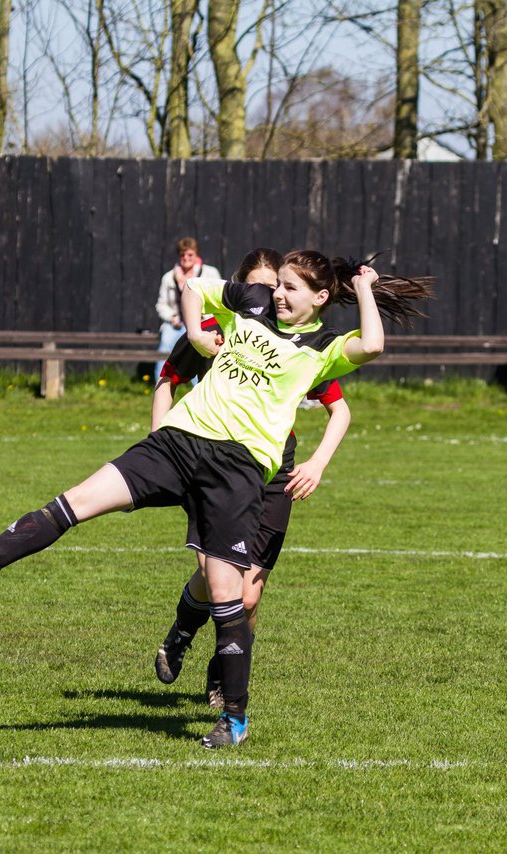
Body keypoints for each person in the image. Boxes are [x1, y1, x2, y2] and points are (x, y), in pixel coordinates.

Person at [0, 250, 432, 749]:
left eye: (290, 288)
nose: (277, 294)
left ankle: (233, 719)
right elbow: (194, 289)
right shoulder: (251, 301)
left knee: (228, 592)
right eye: (277, 284)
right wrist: (194, 330)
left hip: (238, 469)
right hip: (178, 440)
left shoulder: (322, 345)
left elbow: (373, 345)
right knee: (76, 500)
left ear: (320, 297)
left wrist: (364, 288)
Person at [150, 248, 352, 710]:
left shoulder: (297, 344)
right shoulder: (222, 330)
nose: (273, 296)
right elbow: (168, 378)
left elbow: (339, 407)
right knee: (212, 574)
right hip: (211, 462)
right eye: (265, 287)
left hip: (273, 469)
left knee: (250, 591)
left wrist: (317, 463)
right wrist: (161, 440)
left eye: (280, 287)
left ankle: (223, 677)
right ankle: (182, 630)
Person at [155, 237, 220, 382]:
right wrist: (171, 316)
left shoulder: (209, 273)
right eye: (182, 255)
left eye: (189, 255)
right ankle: (161, 383)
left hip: (203, 321)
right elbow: (161, 305)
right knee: (166, 344)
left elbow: (219, 297)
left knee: (200, 350)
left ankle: (198, 387)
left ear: (196, 255)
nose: (186, 258)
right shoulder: (169, 277)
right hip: (176, 322)